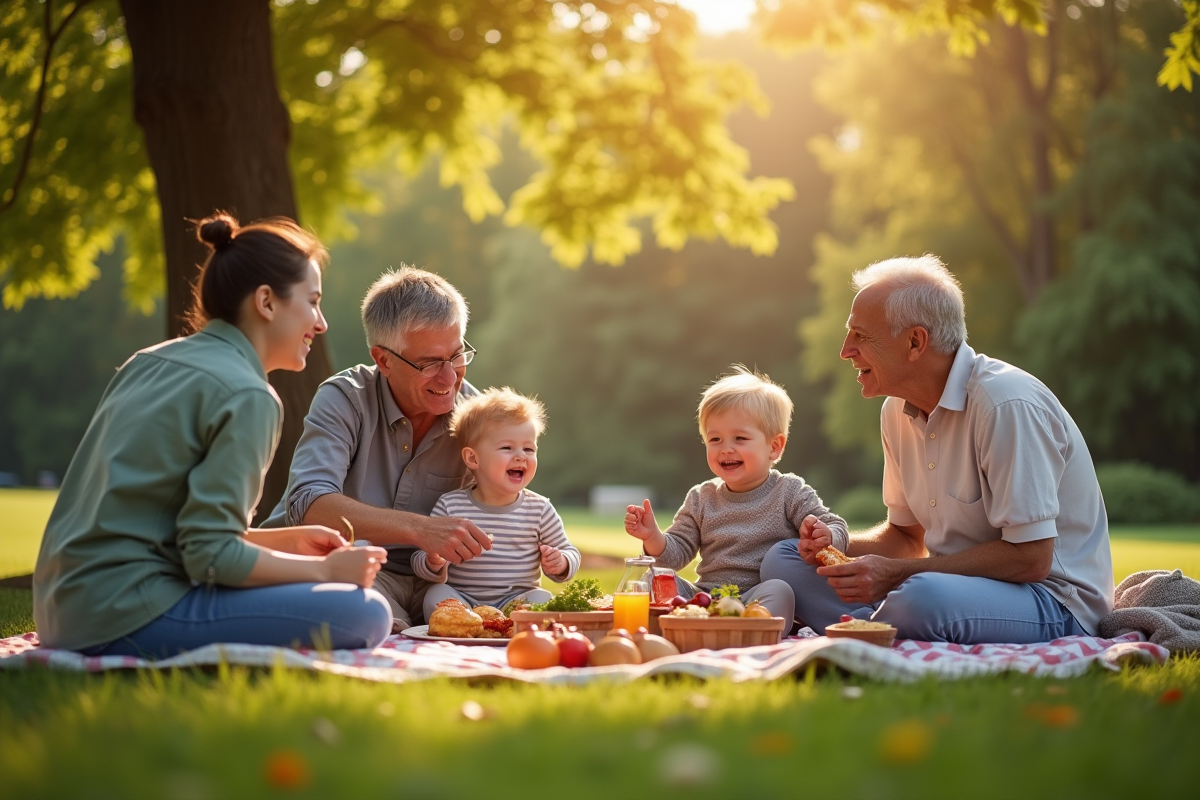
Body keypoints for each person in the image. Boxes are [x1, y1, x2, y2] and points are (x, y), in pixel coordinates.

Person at [32, 213, 392, 658]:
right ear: (266, 302)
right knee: (368, 612)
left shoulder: (148, 361)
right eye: (313, 301)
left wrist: (289, 542)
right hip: (126, 614)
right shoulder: (247, 394)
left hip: (61, 611)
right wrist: (323, 570)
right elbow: (210, 557)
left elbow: (171, 531)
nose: (321, 323)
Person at [761, 255, 1114, 643]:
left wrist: (896, 576)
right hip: (943, 588)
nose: (845, 350)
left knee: (921, 597)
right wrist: (834, 541)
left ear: (915, 342)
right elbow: (906, 538)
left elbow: (1030, 559)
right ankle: (879, 625)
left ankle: (881, 622)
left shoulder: (1005, 404)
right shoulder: (895, 411)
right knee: (784, 558)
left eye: (860, 335)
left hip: (1052, 602)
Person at [262, 267, 492, 630]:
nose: (450, 378)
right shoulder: (345, 398)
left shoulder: (475, 415)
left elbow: (506, 500)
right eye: (430, 363)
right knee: (359, 614)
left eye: (457, 354)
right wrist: (421, 529)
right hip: (340, 567)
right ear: (383, 360)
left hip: (431, 581)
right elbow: (308, 503)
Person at [624, 367, 848, 621]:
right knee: (653, 578)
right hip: (705, 598)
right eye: (715, 439)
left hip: (756, 599)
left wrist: (825, 534)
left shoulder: (789, 491)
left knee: (781, 591)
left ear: (774, 447)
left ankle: (750, 631)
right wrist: (652, 535)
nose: (726, 449)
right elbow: (674, 555)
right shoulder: (701, 497)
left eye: (739, 438)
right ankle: (688, 627)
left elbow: (836, 525)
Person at [411, 388, 581, 621]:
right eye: (507, 448)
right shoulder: (450, 506)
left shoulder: (539, 510)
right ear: (472, 458)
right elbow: (420, 559)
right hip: (464, 601)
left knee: (544, 600)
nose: (521, 456)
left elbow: (570, 552)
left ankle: (512, 626)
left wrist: (561, 562)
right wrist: (433, 560)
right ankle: (465, 625)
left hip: (518, 601)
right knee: (435, 594)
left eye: (529, 448)